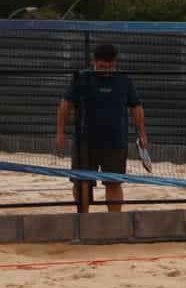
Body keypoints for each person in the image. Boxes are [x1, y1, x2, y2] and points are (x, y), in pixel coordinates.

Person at [56, 43, 146, 216]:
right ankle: (83, 220)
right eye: (102, 66)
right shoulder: (81, 78)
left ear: (115, 62)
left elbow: (136, 107)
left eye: (109, 66)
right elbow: (65, 104)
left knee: (114, 182)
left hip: (115, 142)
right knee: (82, 182)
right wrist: (60, 132)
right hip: (84, 142)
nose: (106, 70)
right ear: (94, 61)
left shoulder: (124, 80)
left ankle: (114, 221)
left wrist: (142, 134)